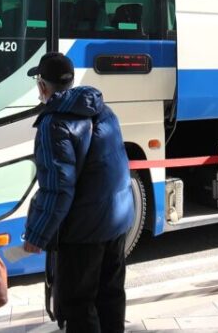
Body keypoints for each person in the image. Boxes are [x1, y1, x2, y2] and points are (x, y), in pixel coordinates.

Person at [22, 52, 134, 333]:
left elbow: (58, 188)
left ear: (43, 86)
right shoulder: (103, 110)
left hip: (83, 231)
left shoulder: (54, 124)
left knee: (79, 305)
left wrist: (37, 234)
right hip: (117, 221)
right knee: (110, 297)